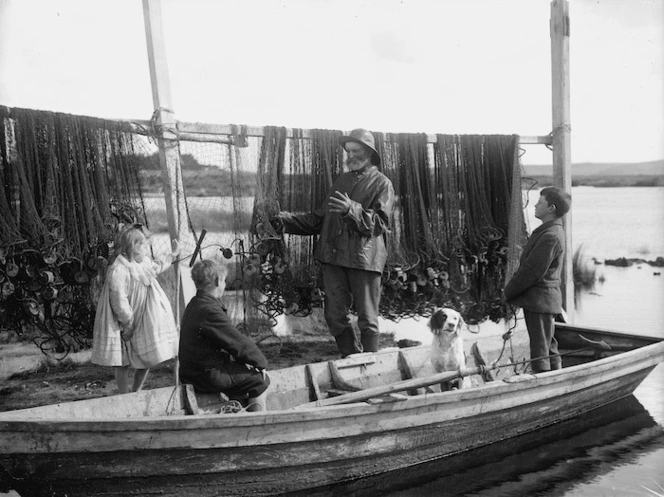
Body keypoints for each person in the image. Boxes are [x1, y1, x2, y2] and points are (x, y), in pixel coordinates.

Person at [274, 128, 395, 357]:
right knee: (334, 316)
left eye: (355, 151)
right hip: (333, 258)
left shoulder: (382, 184)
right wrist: (286, 222)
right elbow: (320, 219)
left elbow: (379, 224)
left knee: (368, 318)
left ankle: (372, 364)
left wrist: (352, 209)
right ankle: (350, 357)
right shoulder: (342, 181)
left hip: (364, 260)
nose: (350, 156)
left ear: (369, 152)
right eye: (348, 151)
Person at [91, 225, 180, 393]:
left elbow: (156, 266)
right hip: (123, 318)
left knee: (146, 357)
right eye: (144, 246)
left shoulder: (143, 263)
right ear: (133, 247)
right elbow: (118, 298)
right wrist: (127, 321)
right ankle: (124, 394)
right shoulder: (120, 269)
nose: (147, 250)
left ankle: (136, 390)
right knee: (122, 360)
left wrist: (172, 255)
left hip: (142, 315)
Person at [179, 259, 270, 412]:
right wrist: (260, 363)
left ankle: (238, 413)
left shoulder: (196, 303)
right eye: (224, 280)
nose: (225, 284)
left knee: (241, 372)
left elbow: (227, 342)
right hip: (204, 375)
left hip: (191, 371)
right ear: (217, 280)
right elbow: (236, 342)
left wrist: (246, 361)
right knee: (259, 381)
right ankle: (259, 426)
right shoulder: (209, 309)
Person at [504, 186, 572, 373]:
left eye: (540, 202)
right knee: (548, 345)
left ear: (551, 208)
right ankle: (557, 377)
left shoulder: (550, 235)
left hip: (540, 301)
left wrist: (507, 293)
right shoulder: (550, 231)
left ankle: (544, 383)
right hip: (544, 300)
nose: (535, 205)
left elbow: (530, 273)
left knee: (541, 349)